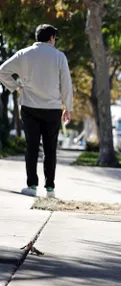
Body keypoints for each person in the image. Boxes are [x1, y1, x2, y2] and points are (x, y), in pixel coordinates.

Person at [0, 24, 73, 198]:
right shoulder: (59, 56)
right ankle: (50, 189)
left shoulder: (24, 54)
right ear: (52, 38)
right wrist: (67, 107)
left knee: (31, 147)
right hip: (53, 109)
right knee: (50, 150)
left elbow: (2, 71)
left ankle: (32, 186)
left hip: (29, 107)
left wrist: (16, 87)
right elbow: (66, 84)